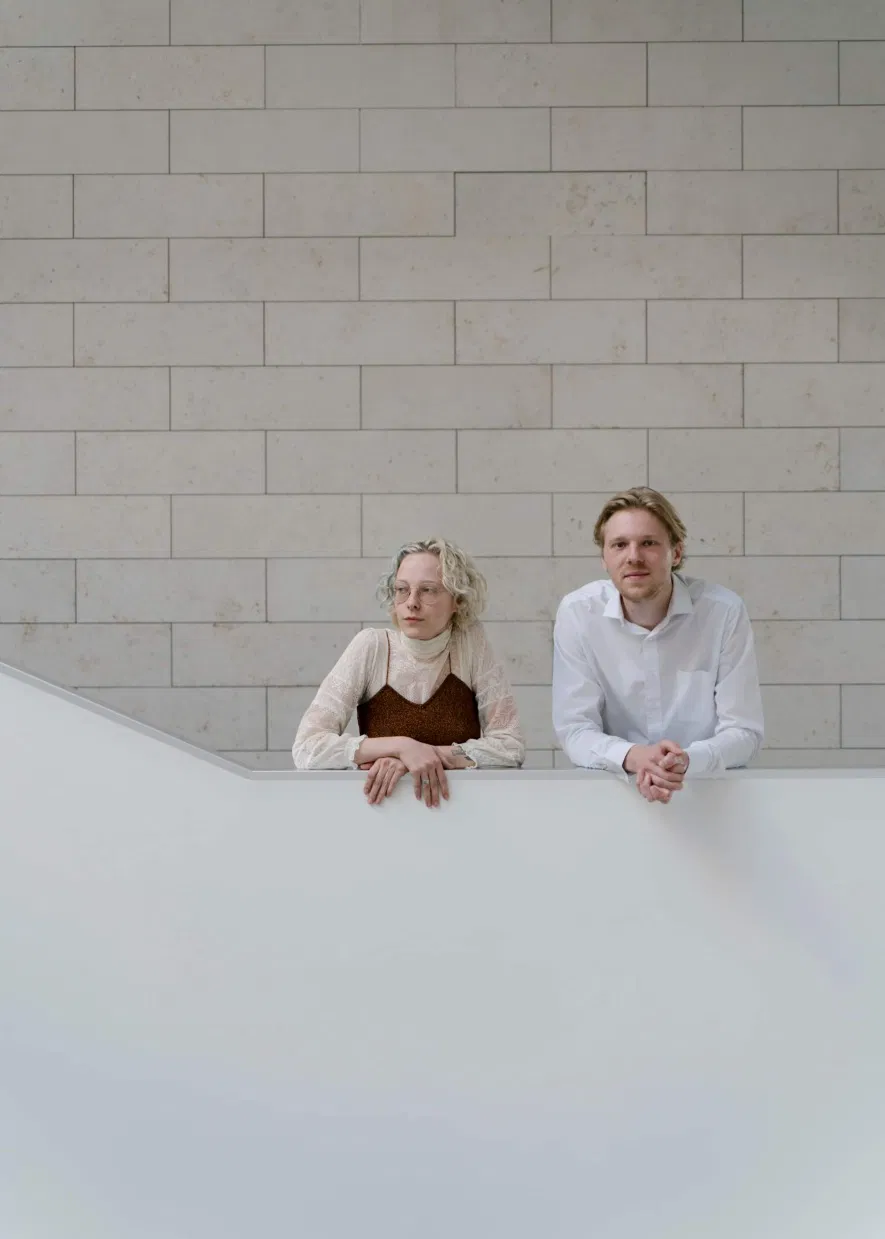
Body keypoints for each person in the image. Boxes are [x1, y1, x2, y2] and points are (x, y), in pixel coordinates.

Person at [552, 487, 764, 803]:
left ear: (676, 553)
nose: (633, 556)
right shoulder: (578, 613)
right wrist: (636, 757)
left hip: (709, 800)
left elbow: (744, 732)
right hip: (611, 798)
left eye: (648, 543)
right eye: (619, 545)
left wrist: (685, 761)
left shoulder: (722, 612)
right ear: (604, 558)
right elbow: (575, 730)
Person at [292, 537, 524, 806]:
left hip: (461, 813)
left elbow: (510, 746)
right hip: (383, 812)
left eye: (428, 590)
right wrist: (402, 747)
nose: (412, 602)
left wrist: (422, 757)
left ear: (457, 600)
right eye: (402, 589)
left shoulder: (470, 644)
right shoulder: (372, 647)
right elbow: (307, 747)